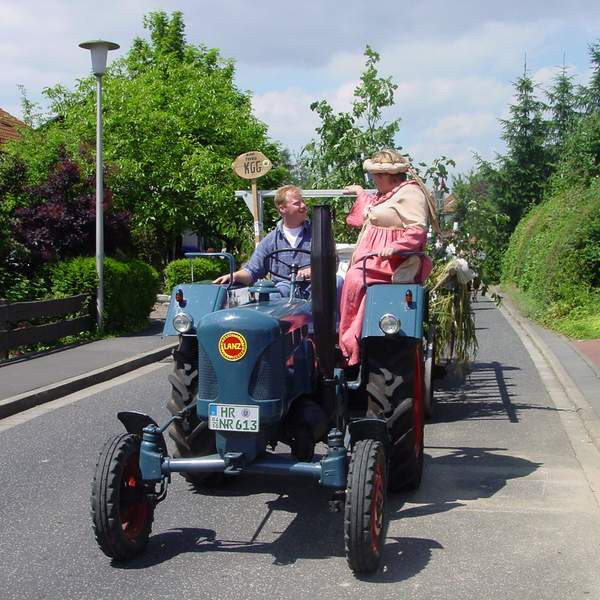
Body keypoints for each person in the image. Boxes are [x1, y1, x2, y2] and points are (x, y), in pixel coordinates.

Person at [338, 149, 433, 366]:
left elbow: (417, 229)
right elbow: (371, 212)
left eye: (375, 175)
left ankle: (351, 343)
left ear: (388, 176)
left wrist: (396, 247)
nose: (373, 179)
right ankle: (347, 339)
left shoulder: (410, 193)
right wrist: (360, 192)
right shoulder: (386, 194)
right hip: (372, 260)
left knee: (354, 279)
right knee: (344, 280)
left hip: (394, 263)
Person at [213, 185, 312, 297]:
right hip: (282, 298)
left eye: (303, 202)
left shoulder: (319, 234)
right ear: (282, 208)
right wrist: (234, 276)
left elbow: (329, 265)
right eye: (297, 203)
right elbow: (252, 271)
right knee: (274, 293)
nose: (303, 206)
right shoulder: (270, 241)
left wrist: (314, 270)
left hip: (315, 296)